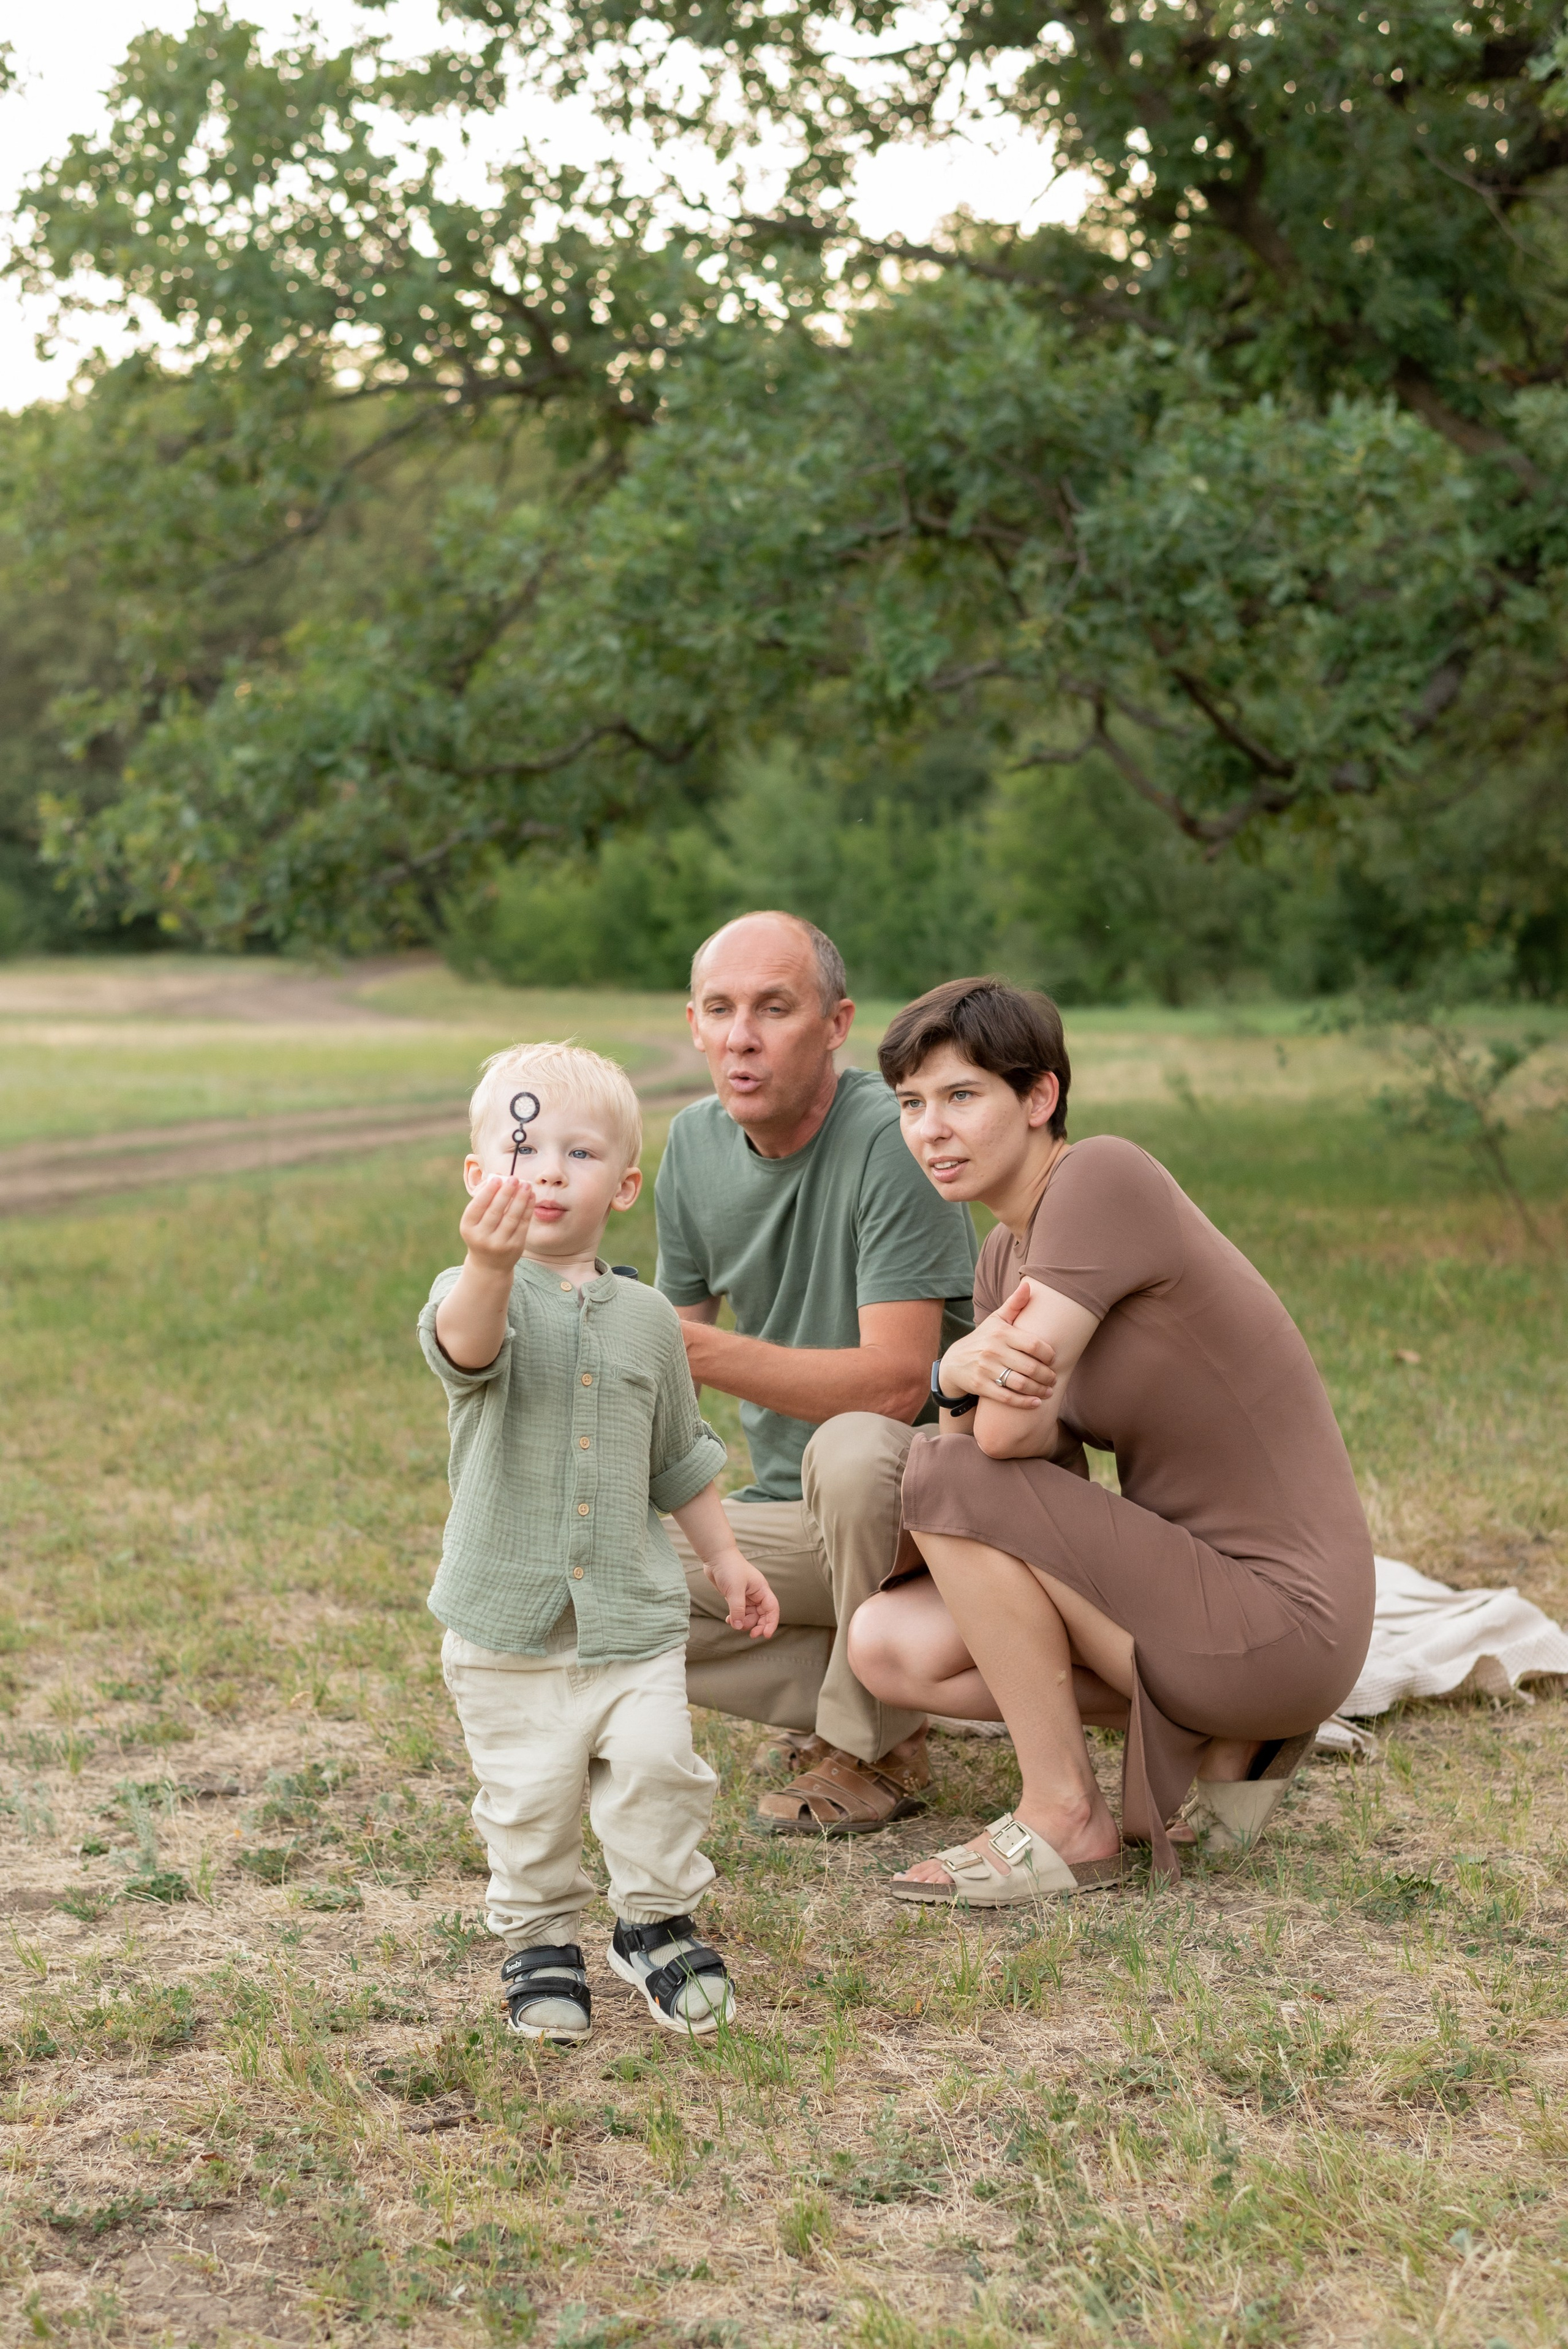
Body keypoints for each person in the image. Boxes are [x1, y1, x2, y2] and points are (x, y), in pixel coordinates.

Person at [846, 977, 1376, 1896]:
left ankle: (1067, 1815)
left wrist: (955, 1376)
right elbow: (1016, 1465)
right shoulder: (1002, 1257)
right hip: (1192, 1604)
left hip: (1284, 1614)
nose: (931, 1128)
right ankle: (1230, 1735)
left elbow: (991, 1439)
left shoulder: (1102, 1176)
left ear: (1040, 1096)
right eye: (911, 1103)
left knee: (940, 1467)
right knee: (889, 1642)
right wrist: (958, 1375)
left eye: (962, 1095)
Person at [418, 1041, 780, 2043]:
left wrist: (726, 1555)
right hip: (507, 1627)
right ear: (477, 1172)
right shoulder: (475, 1289)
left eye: (578, 1155)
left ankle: (654, 1921)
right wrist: (490, 1264)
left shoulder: (651, 1319)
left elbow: (678, 1454)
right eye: (523, 1148)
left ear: (622, 1186)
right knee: (529, 1796)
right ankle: (539, 1937)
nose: (546, 1172)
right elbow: (468, 1349)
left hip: (630, 1615)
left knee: (661, 1767)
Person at [655, 912, 980, 1834]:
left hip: (929, 1507)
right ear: (693, 1023)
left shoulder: (895, 1139)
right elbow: (667, 1383)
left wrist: (697, 1352)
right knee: (583, 1574)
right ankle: (880, 1692)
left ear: (836, 1025)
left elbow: (894, 1382)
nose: (741, 1036)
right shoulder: (691, 1145)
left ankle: (875, 1747)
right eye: (719, 1009)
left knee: (848, 1449)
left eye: (773, 1007)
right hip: (789, 1511)